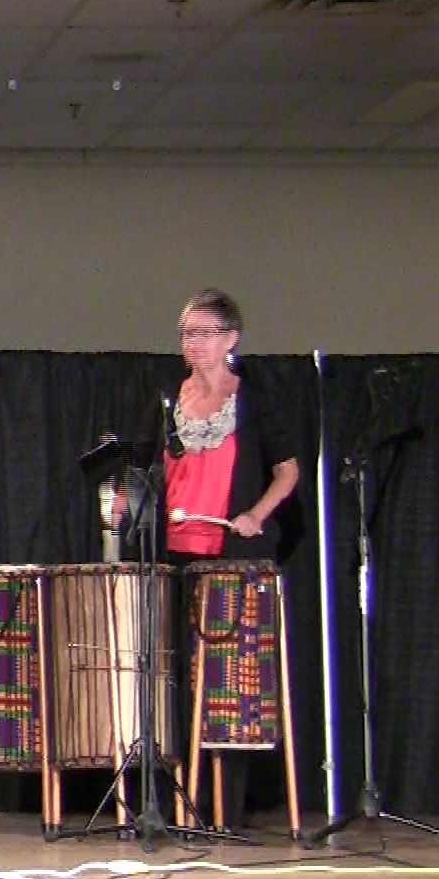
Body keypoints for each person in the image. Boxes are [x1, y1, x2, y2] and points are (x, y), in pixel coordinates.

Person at [153, 288, 301, 829]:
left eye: (205, 332)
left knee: (228, 684)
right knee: (176, 678)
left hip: (233, 557)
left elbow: (288, 471)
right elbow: (152, 468)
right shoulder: (167, 400)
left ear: (231, 338)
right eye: (187, 333)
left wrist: (256, 515)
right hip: (176, 555)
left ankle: (227, 810)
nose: (193, 343)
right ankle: (179, 805)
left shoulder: (254, 401)